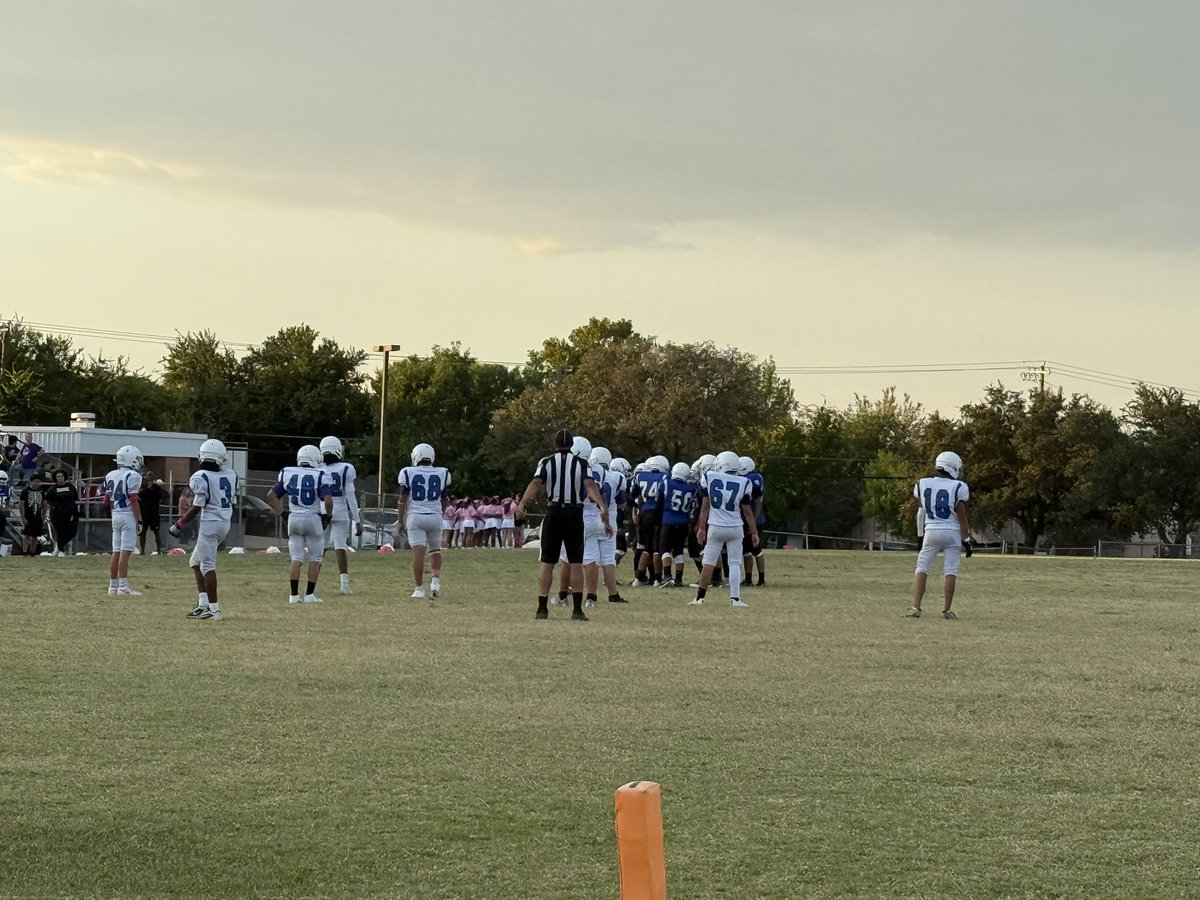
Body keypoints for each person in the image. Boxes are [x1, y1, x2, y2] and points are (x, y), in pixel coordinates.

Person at [516, 428, 610, 621]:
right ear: (571, 446)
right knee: (576, 562)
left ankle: (542, 609)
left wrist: (522, 503)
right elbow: (590, 486)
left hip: (554, 512)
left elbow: (535, 483)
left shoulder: (546, 462)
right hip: (574, 513)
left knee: (548, 563)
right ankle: (577, 610)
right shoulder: (582, 463)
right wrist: (601, 505)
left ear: (555, 444)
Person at [171, 439, 237, 621]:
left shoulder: (201, 477)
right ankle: (203, 604)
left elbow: (198, 506)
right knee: (195, 562)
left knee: (207, 565)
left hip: (211, 522)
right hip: (224, 521)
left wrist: (179, 524)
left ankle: (214, 610)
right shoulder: (230, 474)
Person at [688, 451, 760, 608]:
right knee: (734, 563)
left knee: (708, 562)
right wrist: (754, 532)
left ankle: (700, 598)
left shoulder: (709, 477)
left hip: (715, 526)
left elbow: (705, 506)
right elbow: (747, 512)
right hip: (735, 527)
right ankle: (735, 599)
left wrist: (701, 528)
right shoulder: (744, 482)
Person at [906, 451, 972, 619]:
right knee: (951, 571)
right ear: (954, 467)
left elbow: (921, 513)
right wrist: (967, 540)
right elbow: (962, 516)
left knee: (922, 569)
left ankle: (916, 607)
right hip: (952, 532)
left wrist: (920, 536)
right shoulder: (959, 487)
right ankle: (947, 610)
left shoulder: (923, 483)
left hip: (931, 530)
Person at [266, 444, 333, 605]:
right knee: (315, 558)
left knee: (296, 558)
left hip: (294, 518)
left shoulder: (289, 473)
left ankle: (293, 596)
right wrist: (328, 516)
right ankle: (309, 595)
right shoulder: (321, 474)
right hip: (312, 518)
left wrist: (282, 512)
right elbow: (328, 501)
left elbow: (271, 495)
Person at [397, 442, 452, 599]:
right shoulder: (442, 473)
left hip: (416, 516)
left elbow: (402, 499)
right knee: (435, 550)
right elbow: (444, 499)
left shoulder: (407, 472)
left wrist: (400, 520)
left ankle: (419, 589)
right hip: (435, 515)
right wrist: (438, 512)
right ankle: (435, 582)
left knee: (418, 553)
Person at [320, 435, 362, 595]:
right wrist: (357, 520)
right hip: (340, 509)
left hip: (323, 508)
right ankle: (344, 584)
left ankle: (313, 582)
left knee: (320, 547)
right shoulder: (346, 468)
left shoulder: (318, 468)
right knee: (340, 547)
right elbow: (350, 495)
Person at [103, 445, 144, 595]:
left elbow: (106, 501)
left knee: (116, 551)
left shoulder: (110, 475)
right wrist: (139, 520)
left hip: (116, 514)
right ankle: (123, 586)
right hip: (127, 515)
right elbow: (133, 499)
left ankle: (112, 587)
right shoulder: (133, 476)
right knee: (125, 552)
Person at [660, 462, 697, 587]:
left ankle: (667, 576)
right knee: (678, 551)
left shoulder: (666, 483)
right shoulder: (691, 489)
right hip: (683, 523)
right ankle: (679, 579)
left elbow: (660, 500)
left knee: (665, 549)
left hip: (668, 521)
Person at [739, 456, 767, 587]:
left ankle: (761, 579)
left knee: (756, 550)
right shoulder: (749, 477)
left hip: (754, 519)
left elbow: (758, 502)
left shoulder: (754, 478)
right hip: (746, 519)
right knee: (746, 550)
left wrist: (753, 523)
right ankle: (748, 579)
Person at [45, 470, 81, 556]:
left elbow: (76, 498)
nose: (60, 478)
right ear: (55, 478)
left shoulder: (71, 486)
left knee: (72, 531)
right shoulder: (53, 489)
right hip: (57, 513)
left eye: (61, 476)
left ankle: (58, 546)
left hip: (70, 512)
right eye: (58, 476)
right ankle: (61, 550)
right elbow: (47, 499)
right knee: (60, 532)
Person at [20, 472, 48, 556]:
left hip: (38, 516)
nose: (36, 483)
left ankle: (32, 551)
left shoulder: (41, 491)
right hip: (28, 516)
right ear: (31, 482)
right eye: (34, 481)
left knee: (35, 535)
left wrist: (44, 516)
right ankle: (25, 551)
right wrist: (23, 517)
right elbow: (21, 504)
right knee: (27, 534)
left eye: (38, 481)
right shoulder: (25, 491)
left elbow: (44, 504)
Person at [137, 478, 165, 555]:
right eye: (148, 476)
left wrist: (151, 490)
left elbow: (158, 496)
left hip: (154, 513)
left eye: (151, 476)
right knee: (142, 533)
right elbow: (140, 495)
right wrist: (147, 489)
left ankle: (159, 551)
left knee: (157, 532)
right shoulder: (143, 487)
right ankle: (142, 551)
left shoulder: (157, 488)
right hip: (143, 514)